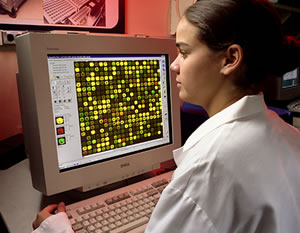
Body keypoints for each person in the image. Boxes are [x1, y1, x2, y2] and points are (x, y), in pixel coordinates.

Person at [32, 0, 300, 232]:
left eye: (184, 52)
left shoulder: (206, 168)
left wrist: (53, 229)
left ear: (230, 59)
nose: (173, 64)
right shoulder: (290, 135)